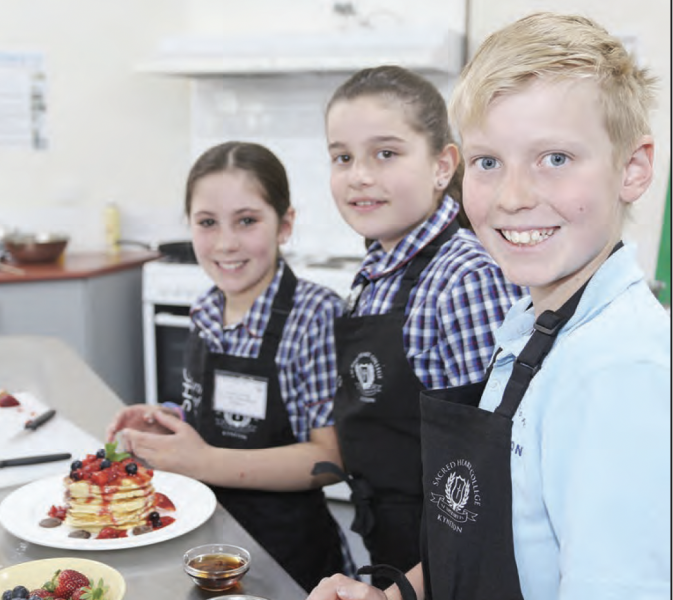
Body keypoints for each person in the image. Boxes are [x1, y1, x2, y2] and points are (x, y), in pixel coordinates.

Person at [307, 11, 671, 600]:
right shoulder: (532, 324)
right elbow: (491, 528)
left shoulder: (619, 371)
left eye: (555, 158)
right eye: (489, 162)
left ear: (632, 168)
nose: (513, 197)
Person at [106, 141, 355, 592]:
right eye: (207, 223)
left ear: (285, 225)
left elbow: (330, 461)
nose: (225, 243)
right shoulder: (204, 309)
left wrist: (205, 462)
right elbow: (219, 418)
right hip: (211, 542)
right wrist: (168, 420)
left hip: (291, 556)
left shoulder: (315, 315)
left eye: (246, 221)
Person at [315, 65, 522, 588]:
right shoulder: (376, 269)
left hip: (447, 559)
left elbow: (493, 473)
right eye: (342, 157)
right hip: (391, 533)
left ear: (442, 165)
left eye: (385, 153)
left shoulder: (463, 278)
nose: (359, 175)